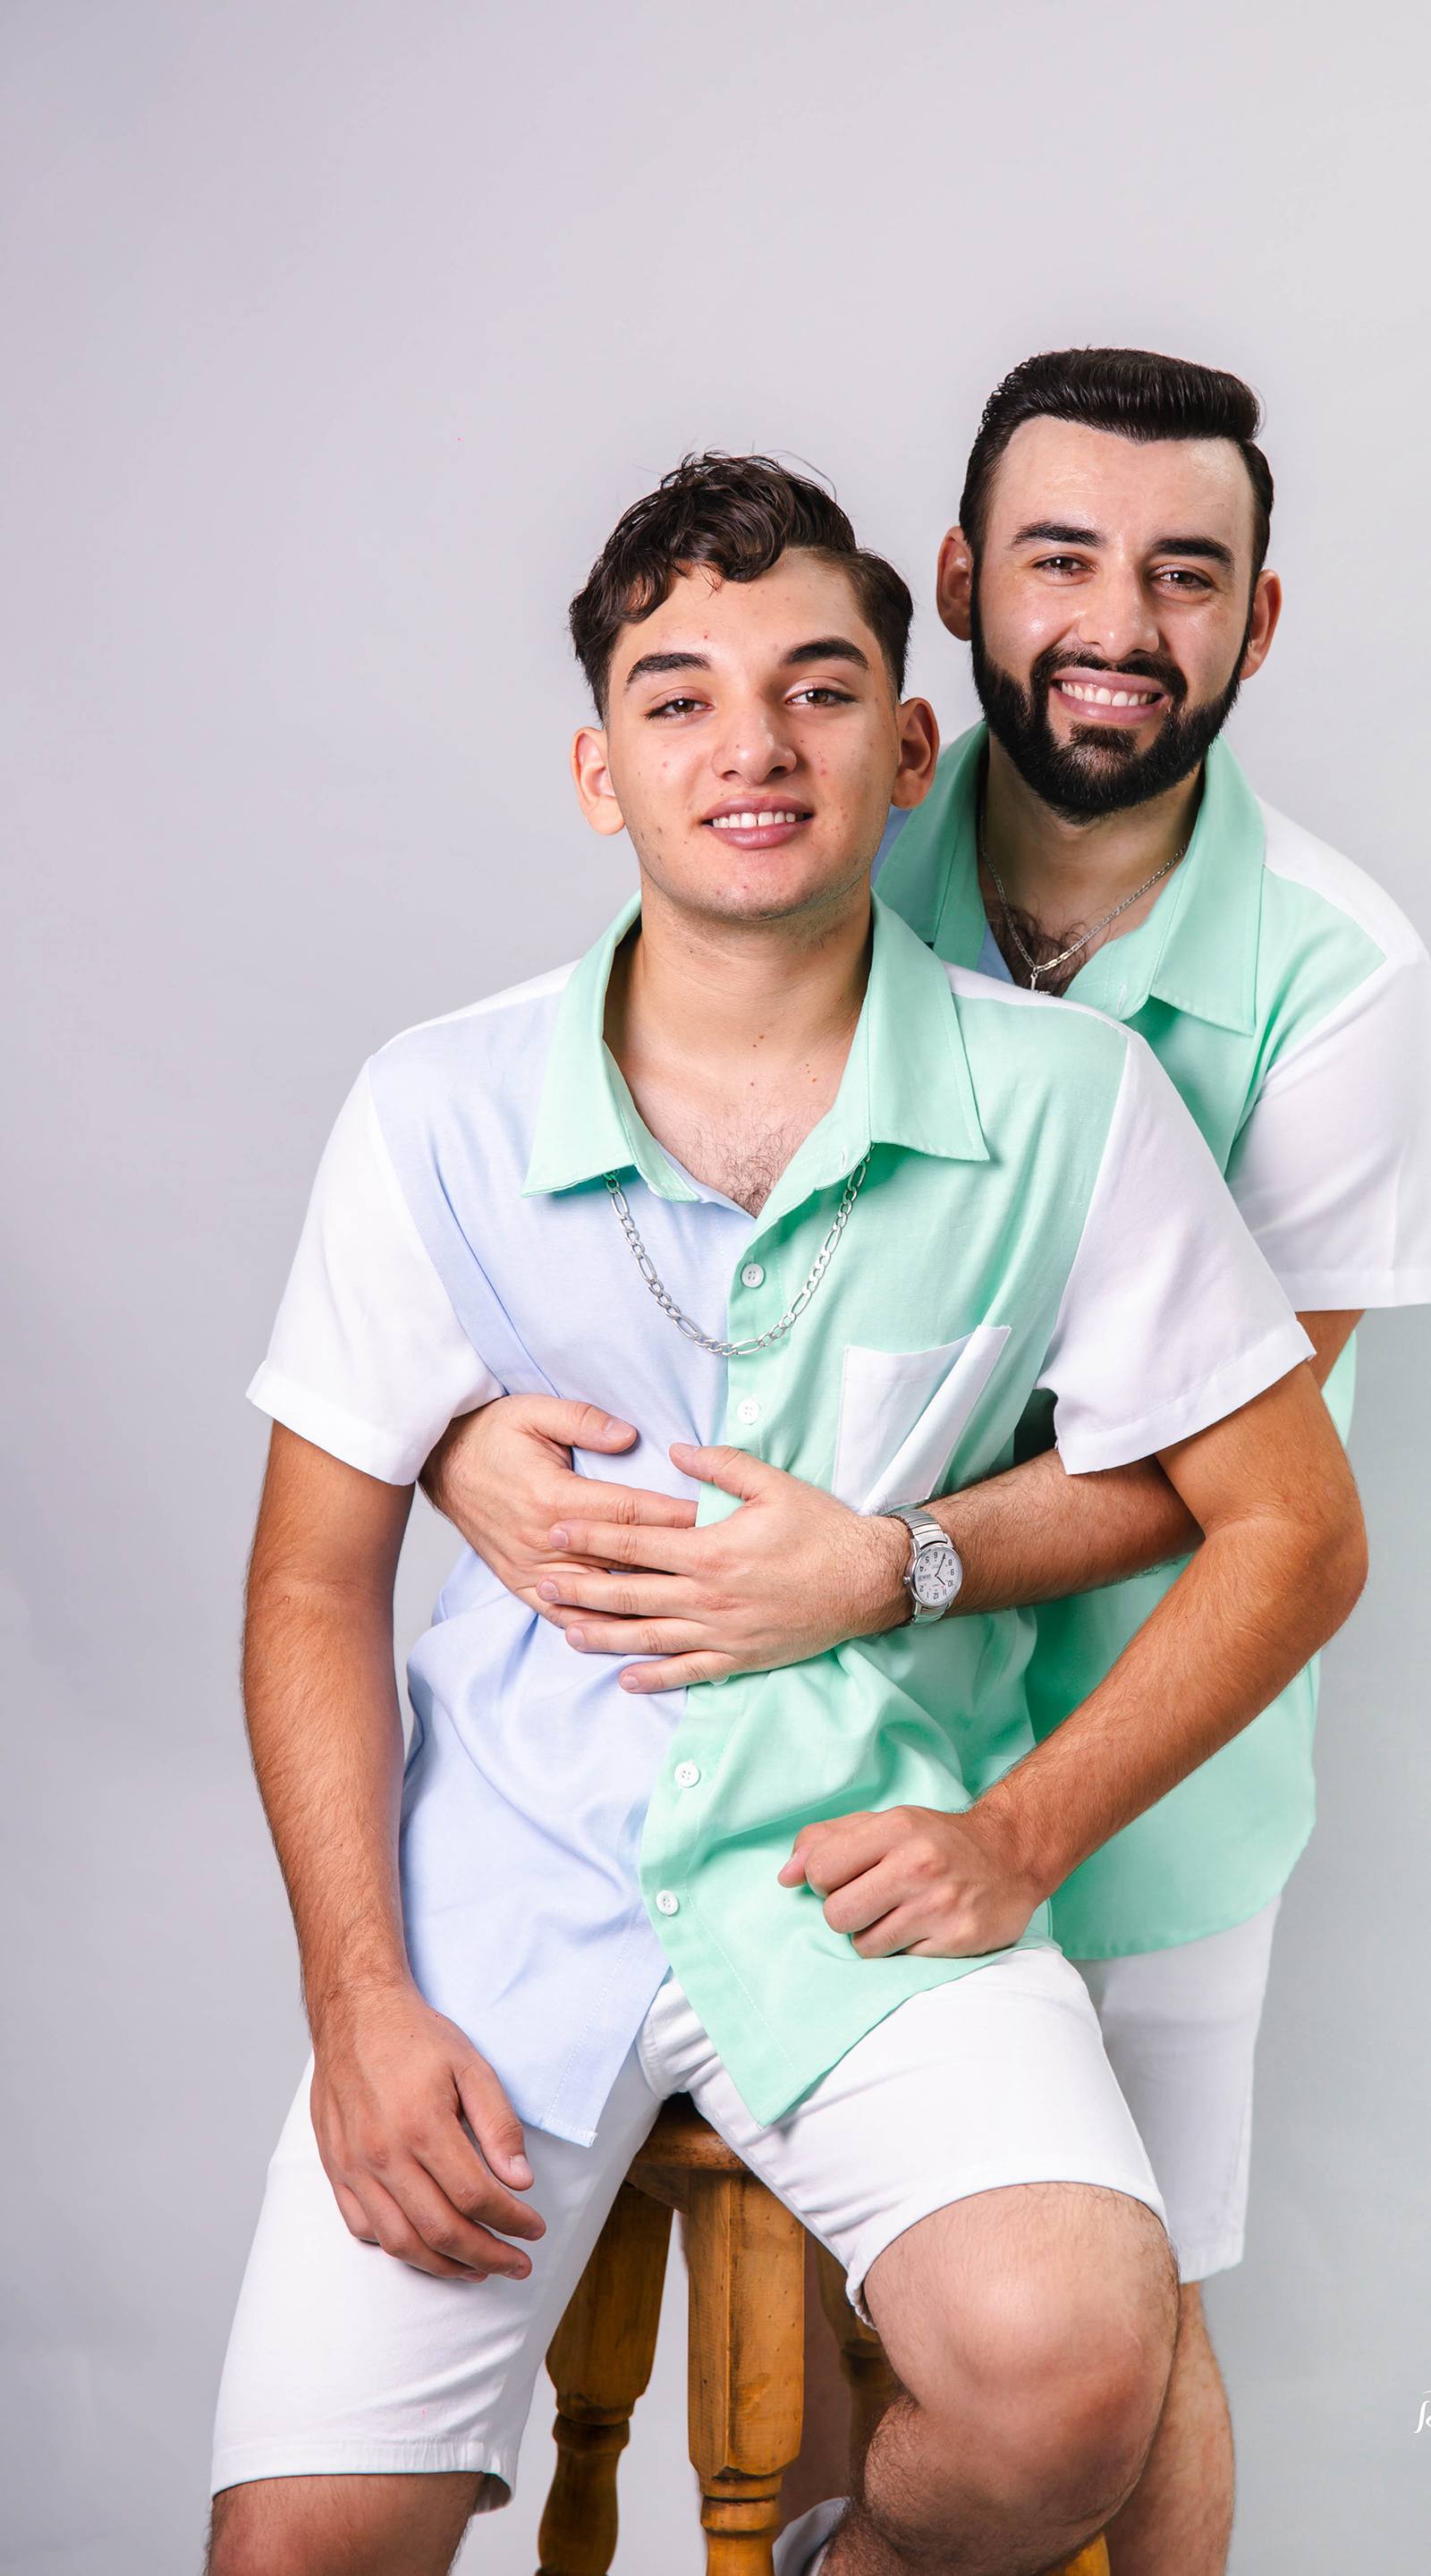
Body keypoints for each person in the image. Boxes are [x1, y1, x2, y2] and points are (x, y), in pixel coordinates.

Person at [207, 453, 1366, 2576]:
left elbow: (1297, 1527)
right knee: (295, 2556)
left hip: (863, 1883)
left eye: (818, 691)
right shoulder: (433, 1111)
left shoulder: (1068, 1104)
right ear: (600, 771)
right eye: (680, 698)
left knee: (1076, 2378)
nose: (752, 745)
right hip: (495, 1908)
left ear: (908, 749)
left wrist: (1017, 1836)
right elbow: (308, 1584)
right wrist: (358, 2001)